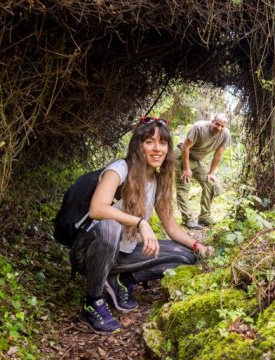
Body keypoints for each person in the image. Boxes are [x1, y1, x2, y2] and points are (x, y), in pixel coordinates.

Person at [70, 116, 214, 335]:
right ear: (138, 146)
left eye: (163, 143)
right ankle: (93, 301)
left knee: (186, 257)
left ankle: (121, 280)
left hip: (123, 254)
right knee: (111, 226)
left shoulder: (157, 181)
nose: (157, 149)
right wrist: (141, 223)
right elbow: (97, 209)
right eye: (149, 142)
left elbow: (172, 226)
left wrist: (198, 246)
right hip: (90, 252)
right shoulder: (120, 169)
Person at [175, 114, 231, 229]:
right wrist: (186, 168)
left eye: (222, 126)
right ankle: (188, 219)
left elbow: (218, 155)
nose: (219, 128)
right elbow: (186, 147)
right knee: (184, 186)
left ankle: (204, 217)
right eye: (217, 124)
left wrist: (211, 173)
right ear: (212, 121)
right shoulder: (199, 127)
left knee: (210, 182)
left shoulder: (225, 134)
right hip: (181, 154)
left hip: (197, 159)